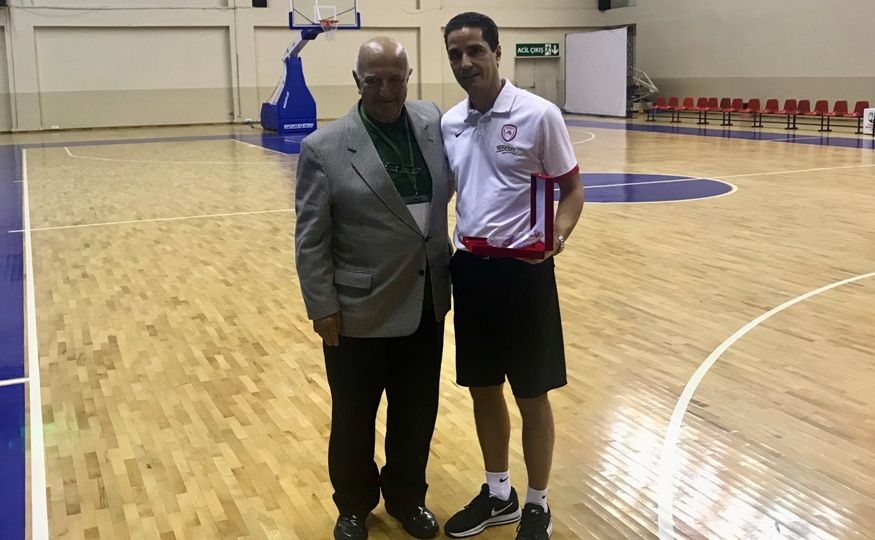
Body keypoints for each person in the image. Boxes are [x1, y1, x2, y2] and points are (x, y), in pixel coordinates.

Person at [294, 36, 453, 540]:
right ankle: (354, 506)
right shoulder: (324, 147)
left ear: (409, 78)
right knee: (353, 418)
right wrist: (322, 305)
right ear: (356, 81)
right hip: (357, 309)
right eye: (373, 80)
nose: (385, 90)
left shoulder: (431, 122)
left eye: (394, 79)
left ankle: (407, 498)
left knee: (416, 413)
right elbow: (311, 238)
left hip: (426, 301)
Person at [439, 12, 584, 540]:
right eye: (455, 54)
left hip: (524, 276)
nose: (465, 62)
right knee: (482, 388)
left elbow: (572, 190)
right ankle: (498, 493)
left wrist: (555, 241)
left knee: (531, 393)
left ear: (498, 53)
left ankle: (538, 502)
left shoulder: (539, 114)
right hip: (470, 272)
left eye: (475, 50)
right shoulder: (449, 123)